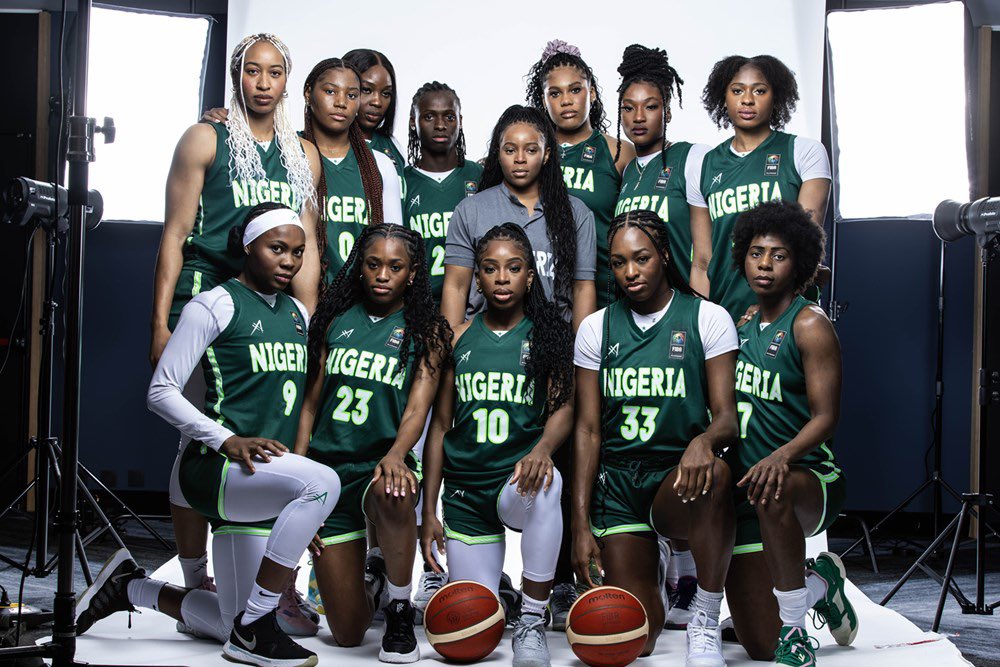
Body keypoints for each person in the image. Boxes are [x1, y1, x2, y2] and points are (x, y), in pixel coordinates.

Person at [77, 204, 341, 667]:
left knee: (224, 621)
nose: (289, 261)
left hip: (262, 475)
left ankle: (132, 586)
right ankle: (256, 626)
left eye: (297, 252)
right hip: (218, 467)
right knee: (326, 483)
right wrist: (224, 439)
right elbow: (160, 392)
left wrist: (299, 502)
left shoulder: (298, 312)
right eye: (276, 248)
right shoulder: (215, 303)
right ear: (247, 246)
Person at [150, 33, 322, 637]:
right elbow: (174, 232)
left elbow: (308, 242)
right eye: (253, 71)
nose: (263, 83)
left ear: (286, 80)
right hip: (207, 296)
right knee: (196, 439)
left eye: (275, 72)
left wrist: (310, 316)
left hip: (267, 306)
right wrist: (160, 319)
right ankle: (195, 575)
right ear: (237, 76)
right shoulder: (207, 137)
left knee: (266, 429)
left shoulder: (302, 153)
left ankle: (264, 587)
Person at [572, 210, 738, 665]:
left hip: (677, 481)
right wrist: (580, 523)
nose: (630, 272)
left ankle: (704, 616)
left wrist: (703, 442)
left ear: (664, 256)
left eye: (641, 258)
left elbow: (727, 418)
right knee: (635, 635)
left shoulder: (708, 318)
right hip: (620, 486)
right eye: (619, 262)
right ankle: (656, 565)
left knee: (717, 473)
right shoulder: (595, 328)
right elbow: (587, 430)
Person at [295, 224, 452, 663]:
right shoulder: (333, 319)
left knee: (395, 488)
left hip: (380, 462)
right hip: (327, 471)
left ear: (413, 273)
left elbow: (417, 409)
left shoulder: (428, 332)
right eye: (374, 264)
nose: (383, 275)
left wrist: (397, 453)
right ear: (359, 268)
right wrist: (298, 471)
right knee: (346, 634)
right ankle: (377, 578)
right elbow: (309, 406)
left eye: (395, 266)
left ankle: (400, 609)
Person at [421, 223, 575, 667]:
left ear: (530, 276)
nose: (502, 278)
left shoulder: (548, 336)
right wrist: (429, 510)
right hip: (466, 493)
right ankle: (503, 594)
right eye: (490, 268)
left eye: (513, 268)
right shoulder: (459, 337)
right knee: (473, 626)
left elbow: (563, 407)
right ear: (478, 277)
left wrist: (542, 449)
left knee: (549, 482)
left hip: (517, 482)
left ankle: (530, 618)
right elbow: (440, 425)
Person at [724, 200, 856, 666]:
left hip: (807, 479)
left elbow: (825, 418)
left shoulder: (810, 325)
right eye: (757, 252)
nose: (765, 263)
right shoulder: (739, 327)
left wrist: (780, 456)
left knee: (773, 489)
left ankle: (797, 632)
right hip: (752, 488)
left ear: (798, 261)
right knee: (758, 645)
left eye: (778, 254)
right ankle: (820, 583)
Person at [612, 43, 713, 625]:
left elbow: (699, 250)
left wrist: (702, 311)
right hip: (632, 315)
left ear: (667, 110)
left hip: (680, 311)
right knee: (639, 429)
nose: (640, 116)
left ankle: (690, 573)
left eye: (651, 106)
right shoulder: (623, 169)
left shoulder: (690, 159)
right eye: (630, 107)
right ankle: (665, 571)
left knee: (686, 429)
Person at [697, 55, 831, 321]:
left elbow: (807, 242)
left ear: (776, 96)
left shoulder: (804, 152)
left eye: (759, 90)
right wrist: (700, 319)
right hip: (724, 315)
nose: (747, 99)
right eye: (737, 91)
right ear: (723, 97)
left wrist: (774, 308)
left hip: (787, 315)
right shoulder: (706, 164)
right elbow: (703, 261)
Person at [441, 104, 597, 333]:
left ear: (546, 155)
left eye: (531, 150)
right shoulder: (470, 210)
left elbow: (583, 288)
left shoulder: (576, 213)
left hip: (552, 346)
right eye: (510, 150)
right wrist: (448, 347)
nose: (520, 159)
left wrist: (580, 357)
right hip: (484, 346)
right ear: (498, 153)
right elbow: (456, 286)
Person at [525, 39, 635, 310]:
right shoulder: (530, 153)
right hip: (541, 290)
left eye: (575, 90)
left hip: (604, 290)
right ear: (543, 99)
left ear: (592, 93)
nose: (566, 101)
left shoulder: (619, 151)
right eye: (555, 93)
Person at [300, 57, 403, 283]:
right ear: (308, 93)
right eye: (330, 92)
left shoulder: (379, 164)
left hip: (363, 301)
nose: (341, 102)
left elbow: (395, 247)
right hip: (305, 295)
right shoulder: (290, 154)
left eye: (352, 95)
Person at [404, 81, 483, 302]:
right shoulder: (400, 181)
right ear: (413, 122)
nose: (440, 125)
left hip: (473, 307)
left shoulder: (481, 176)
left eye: (449, 117)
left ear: (460, 122)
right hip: (418, 305)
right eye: (429, 117)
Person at [343, 48, 406, 184]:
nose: (377, 102)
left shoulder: (394, 147)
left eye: (386, 93)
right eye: (367, 90)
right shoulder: (329, 145)